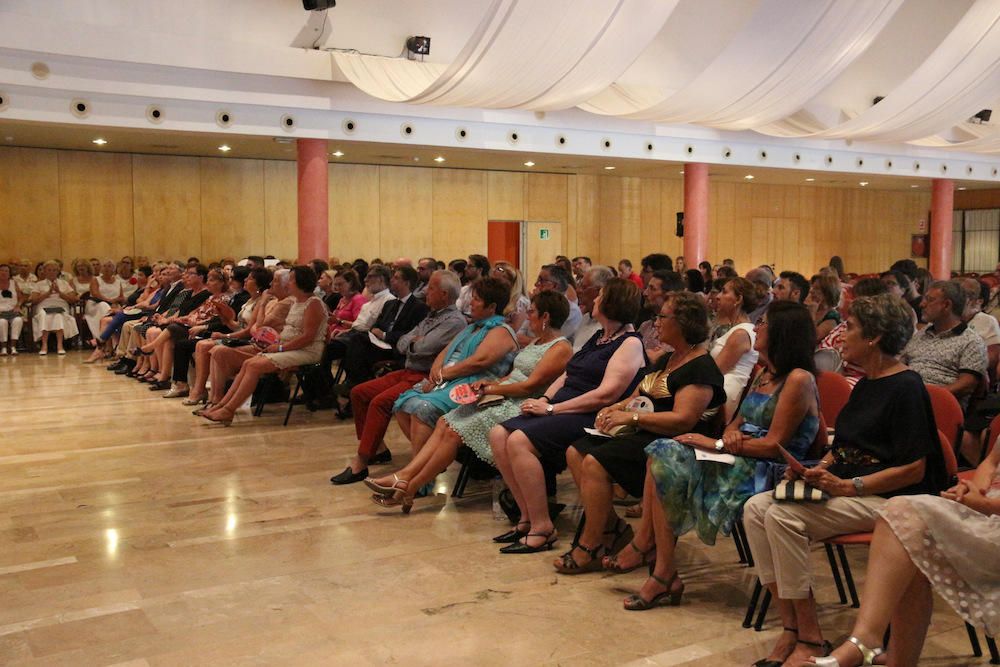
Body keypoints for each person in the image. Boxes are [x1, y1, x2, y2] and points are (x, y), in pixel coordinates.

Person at [744, 294, 949, 666]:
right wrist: (818, 467)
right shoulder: (868, 382)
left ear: (875, 336)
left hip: (894, 500)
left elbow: (914, 470)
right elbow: (847, 446)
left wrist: (850, 486)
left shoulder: (906, 386)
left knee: (782, 515)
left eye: (850, 328)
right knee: (756, 508)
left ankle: (810, 634)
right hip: (853, 489)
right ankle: (791, 625)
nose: (841, 337)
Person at [615, 300, 821, 611]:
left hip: (768, 470)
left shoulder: (798, 380)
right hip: (739, 456)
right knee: (662, 452)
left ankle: (657, 563)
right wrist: (726, 438)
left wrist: (718, 445)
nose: (757, 327)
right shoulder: (764, 373)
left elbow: (774, 446)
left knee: (666, 457)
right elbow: (733, 424)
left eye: (764, 323)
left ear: (783, 332)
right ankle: (661, 568)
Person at [554, 291, 726, 572]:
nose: (655, 322)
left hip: (674, 443)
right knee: (576, 451)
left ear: (683, 322)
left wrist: (630, 417)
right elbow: (637, 395)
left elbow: (683, 420)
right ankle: (610, 528)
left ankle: (592, 543)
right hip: (645, 430)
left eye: (662, 316)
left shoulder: (701, 368)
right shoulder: (668, 360)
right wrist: (614, 409)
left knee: (595, 462)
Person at [366, 292, 574, 512]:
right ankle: (407, 480)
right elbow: (515, 375)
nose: (527, 316)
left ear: (546, 317)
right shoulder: (536, 342)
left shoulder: (561, 348)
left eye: (532, 311)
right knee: (445, 422)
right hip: (504, 393)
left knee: (454, 431)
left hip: (521, 405)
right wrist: (490, 382)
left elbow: (529, 386)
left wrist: (492, 388)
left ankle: (407, 484)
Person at [489, 278, 646, 553]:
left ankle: (543, 527)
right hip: (563, 406)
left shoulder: (630, 343)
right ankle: (526, 517)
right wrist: (545, 398)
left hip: (589, 414)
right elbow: (567, 374)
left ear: (612, 302)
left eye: (600, 296)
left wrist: (552, 409)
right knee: (498, 433)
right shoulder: (599, 336)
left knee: (519, 441)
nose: (594, 300)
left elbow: (606, 395)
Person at [808, 442, 1000, 667]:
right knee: (901, 515)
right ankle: (866, 638)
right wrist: (974, 489)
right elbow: (992, 461)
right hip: (987, 511)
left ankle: (867, 646)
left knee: (909, 528)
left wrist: (986, 505)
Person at [331, 270, 468, 484]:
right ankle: (377, 449)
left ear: (443, 294)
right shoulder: (432, 315)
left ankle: (361, 462)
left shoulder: (454, 321)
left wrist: (413, 342)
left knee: (380, 402)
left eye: (430, 288)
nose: (425, 292)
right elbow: (403, 342)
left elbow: (424, 347)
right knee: (359, 392)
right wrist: (414, 342)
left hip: (425, 375)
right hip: (407, 369)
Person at [391, 277, 519, 453]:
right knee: (403, 403)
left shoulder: (501, 330)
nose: (470, 303)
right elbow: (446, 351)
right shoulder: (471, 327)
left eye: (477, 299)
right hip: (450, 378)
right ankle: (427, 461)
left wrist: (443, 375)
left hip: (474, 385)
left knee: (422, 407)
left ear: (492, 306)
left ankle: (422, 470)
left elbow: (479, 362)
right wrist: (435, 371)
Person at [201, 266, 327, 425]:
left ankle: (228, 410)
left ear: (301, 282)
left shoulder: (313, 303)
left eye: (292, 279)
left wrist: (280, 348)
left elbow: (308, 337)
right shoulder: (296, 302)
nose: (289, 282)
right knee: (248, 363)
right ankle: (221, 405)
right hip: (288, 346)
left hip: (306, 351)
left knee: (254, 366)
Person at [184, 268, 273, 406]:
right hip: (240, 335)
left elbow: (249, 331)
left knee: (209, 346)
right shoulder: (250, 300)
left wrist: (225, 335)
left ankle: (214, 396)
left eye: (249, 279)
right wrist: (224, 318)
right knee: (201, 345)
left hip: (247, 340)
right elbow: (238, 325)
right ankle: (202, 390)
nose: (245, 280)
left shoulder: (262, 302)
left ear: (259, 284)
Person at [901, 280, 987, 410]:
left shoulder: (971, 341)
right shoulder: (923, 333)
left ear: (946, 305)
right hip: (909, 397)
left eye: (929, 300)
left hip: (941, 405)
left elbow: (967, 384)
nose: (922, 304)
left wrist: (925, 395)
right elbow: (903, 362)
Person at [817, 278, 888, 385]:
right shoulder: (845, 325)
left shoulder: (877, 332)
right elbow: (824, 355)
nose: (854, 303)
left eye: (862, 300)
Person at [709, 277, 760, 421]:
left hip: (723, 393)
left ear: (738, 300)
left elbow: (715, 372)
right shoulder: (733, 329)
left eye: (724, 292)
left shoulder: (742, 333)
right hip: (715, 387)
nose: (718, 296)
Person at [517, 265, 582, 346]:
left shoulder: (572, 310)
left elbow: (553, 342)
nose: (536, 284)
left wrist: (528, 340)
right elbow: (520, 334)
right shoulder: (535, 304)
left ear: (554, 286)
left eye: (541, 281)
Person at [31, 261, 79, 355]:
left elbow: (73, 300)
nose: (52, 272)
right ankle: (44, 345)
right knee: (44, 315)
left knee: (58, 316)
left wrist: (60, 293)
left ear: (58, 271)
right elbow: (34, 300)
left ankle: (60, 345)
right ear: (44, 271)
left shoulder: (64, 283)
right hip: (44, 307)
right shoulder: (39, 284)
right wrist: (47, 293)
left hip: (61, 307)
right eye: (49, 270)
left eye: (54, 270)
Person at [637, 270, 684, 362]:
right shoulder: (645, 326)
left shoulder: (677, 330)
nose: (645, 293)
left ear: (669, 295)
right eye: (647, 288)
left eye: (652, 289)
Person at [84, 259, 125, 349]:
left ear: (114, 269)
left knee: (114, 309)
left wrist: (115, 300)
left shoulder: (118, 281)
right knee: (104, 306)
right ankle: (105, 340)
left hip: (113, 305)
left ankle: (110, 341)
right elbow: (95, 294)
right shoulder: (96, 280)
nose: (106, 268)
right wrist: (109, 301)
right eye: (104, 266)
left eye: (109, 266)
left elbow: (122, 297)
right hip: (96, 305)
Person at [573, 265, 614, 353]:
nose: (578, 291)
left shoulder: (610, 326)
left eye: (584, 287)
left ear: (600, 291)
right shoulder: (585, 318)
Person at [492, 261, 530, 332]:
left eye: (497, 282)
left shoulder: (520, 301)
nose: (494, 286)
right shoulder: (500, 297)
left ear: (509, 282)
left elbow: (515, 328)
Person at [806, 273, 842, 340]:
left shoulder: (832, 317)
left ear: (827, 293)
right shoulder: (810, 308)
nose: (811, 291)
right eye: (812, 287)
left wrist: (812, 313)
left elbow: (813, 338)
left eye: (816, 288)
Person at [0, 264, 23, 355]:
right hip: (1, 312)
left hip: (12, 311)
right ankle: (3, 348)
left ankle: (13, 347)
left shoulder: (14, 283)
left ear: (9, 273)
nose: (4, 272)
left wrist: (18, 305)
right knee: (2, 323)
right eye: (2, 270)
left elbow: (21, 297)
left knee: (18, 320)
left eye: (6, 271)